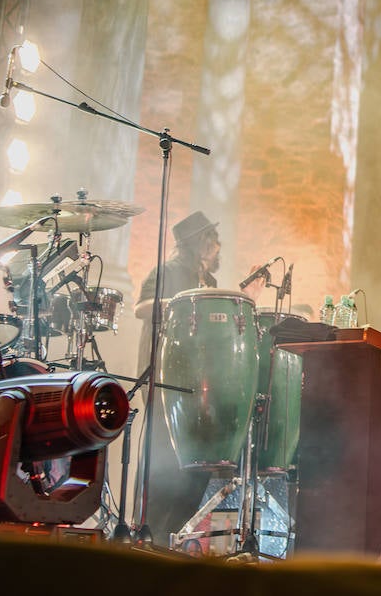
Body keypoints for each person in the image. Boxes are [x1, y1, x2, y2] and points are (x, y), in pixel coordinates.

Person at [132, 211, 220, 548]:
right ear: (198, 243)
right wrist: (180, 304)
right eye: (212, 240)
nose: (216, 248)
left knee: (193, 463)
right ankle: (148, 532)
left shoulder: (209, 282)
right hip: (166, 376)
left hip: (197, 383)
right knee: (161, 455)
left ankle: (173, 535)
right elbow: (141, 308)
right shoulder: (167, 271)